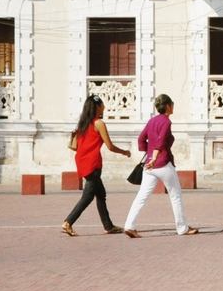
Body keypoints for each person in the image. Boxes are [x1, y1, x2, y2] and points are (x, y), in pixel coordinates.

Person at [121, 94, 198, 237]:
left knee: (142, 196)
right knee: (175, 196)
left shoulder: (152, 121)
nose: (173, 106)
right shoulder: (166, 122)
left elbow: (141, 139)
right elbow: (161, 141)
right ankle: (182, 228)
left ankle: (129, 225)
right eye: (172, 103)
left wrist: (149, 153)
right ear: (168, 106)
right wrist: (155, 157)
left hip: (149, 166)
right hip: (162, 163)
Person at [62, 96, 130, 235]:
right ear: (97, 107)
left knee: (100, 194)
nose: (104, 106)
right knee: (87, 197)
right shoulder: (99, 123)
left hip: (83, 162)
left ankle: (108, 226)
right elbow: (110, 146)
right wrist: (125, 152)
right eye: (102, 104)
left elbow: (74, 147)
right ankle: (68, 222)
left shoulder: (83, 123)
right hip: (92, 164)